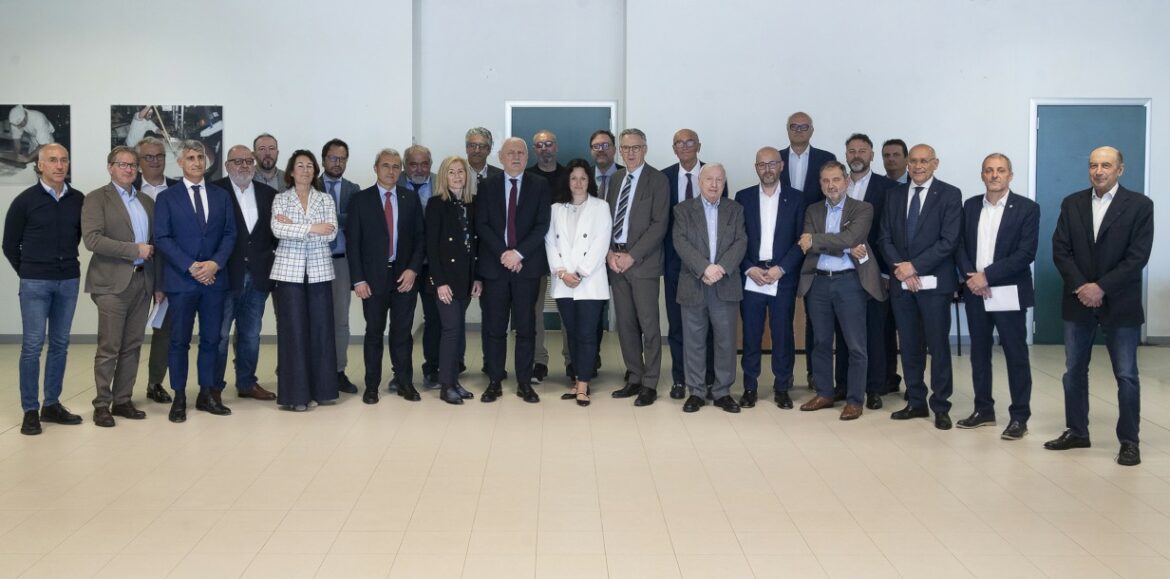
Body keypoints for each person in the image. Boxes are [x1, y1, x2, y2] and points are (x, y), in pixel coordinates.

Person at [1046, 146, 1153, 466]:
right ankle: (1077, 431)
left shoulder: (1140, 205)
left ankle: (1129, 442)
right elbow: (1060, 249)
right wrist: (1083, 287)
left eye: (1106, 165)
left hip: (1120, 301)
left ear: (1120, 169)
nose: (1098, 171)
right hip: (1078, 300)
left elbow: (1137, 256)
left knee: (1126, 375)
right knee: (1074, 371)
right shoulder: (1072, 203)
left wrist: (1101, 287)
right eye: (1093, 165)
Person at [877, 143, 962, 430]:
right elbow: (884, 238)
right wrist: (901, 268)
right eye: (913, 161)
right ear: (907, 164)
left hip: (935, 285)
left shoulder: (950, 194)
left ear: (935, 163)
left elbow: (949, 241)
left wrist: (914, 266)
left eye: (924, 161)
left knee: (938, 346)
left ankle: (941, 405)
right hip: (902, 284)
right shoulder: (894, 195)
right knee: (910, 345)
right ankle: (916, 401)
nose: (918, 166)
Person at [3, 143, 84, 435]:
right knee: (32, 346)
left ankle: (51, 405)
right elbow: (9, 245)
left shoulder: (78, 199)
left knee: (60, 344)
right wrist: (29, 271)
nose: (59, 165)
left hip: (68, 280)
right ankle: (30, 410)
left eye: (63, 160)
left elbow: (77, 237)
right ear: (40, 165)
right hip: (35, 282)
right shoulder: (25, 201)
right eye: (52, 160)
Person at [153, 140, 237, 423]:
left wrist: (214, 264)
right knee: (179, 341)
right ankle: (179, 397)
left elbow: (230, 233)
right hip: (182, 281)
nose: (197, 162)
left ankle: (206, 394)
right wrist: (190, 266)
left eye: (200, 157)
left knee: (212, 339)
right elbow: (162, 237)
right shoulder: (167, 198)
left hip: (214, 280)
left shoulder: (221, 196)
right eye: (190, 158)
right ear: (180, 163)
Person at [956, 153, 1038, 440]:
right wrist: (972, 277)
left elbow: (1025, 253)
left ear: (1010, 175)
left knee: (1016, 354)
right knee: (979, 353)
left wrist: (987, 276)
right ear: (982, 175)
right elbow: (959, 246)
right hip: (975, 291)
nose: (994, 175)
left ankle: (1019, 416)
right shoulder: (969, 206)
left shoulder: (1027, 208)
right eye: (989, 170)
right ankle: (983, 410)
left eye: (1000, 170)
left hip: (1008, 291)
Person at [797, 161, 887, 420]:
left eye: (836, 179)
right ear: (820, 184)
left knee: (856, 344)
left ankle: (855, 400)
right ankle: (825, 393)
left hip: (850, 283)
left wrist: (822, 241)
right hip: (819, 282)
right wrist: (845, 247)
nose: (831, 185)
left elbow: (851, 238)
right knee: (821, 342)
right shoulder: (813, 210)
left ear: (846, 181)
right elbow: (806, 245)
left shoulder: (863, 208)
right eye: (826, 181)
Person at [81, 146, 156, 427]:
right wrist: (133, 249)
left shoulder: (146, 201)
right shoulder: (96, 198)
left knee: (132, 345)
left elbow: (155, 244)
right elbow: (92, 240)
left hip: (142, 281)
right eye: (122, 164)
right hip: (111, 284)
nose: (128, 169)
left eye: (132, 165)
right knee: (109, 347)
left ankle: (123, 400)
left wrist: (158, 283)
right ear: (110, 167)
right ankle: (102, 404)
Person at [476, 137, 551, 403]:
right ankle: (495, 381)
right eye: (511, 153)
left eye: (521, 152)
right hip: (495, 268)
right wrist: (504, 253)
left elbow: (542, 224)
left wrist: (518, 253)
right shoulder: (487, 185)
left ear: (527, 156)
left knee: (526, 328)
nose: (516, 157)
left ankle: (524, 382)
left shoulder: (539, 185)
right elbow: (482, 224)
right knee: (495, 327)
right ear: (500, 157)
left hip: (526, 267)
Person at [348, 149, 425, 404]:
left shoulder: (410, 198)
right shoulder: (361, 200)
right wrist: (358, 280)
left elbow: (420, 239)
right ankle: (372, 386)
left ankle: (404, 382)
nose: (391, 171)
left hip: (404, 277)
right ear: (376, 168)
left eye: (395, 166)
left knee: (402, 333)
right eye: (385, 166)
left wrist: (413, 269)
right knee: (374, 333)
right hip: (372, 279)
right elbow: (353, 243)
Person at [672, 163, 746, 414]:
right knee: (694, 341)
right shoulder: (683, 210)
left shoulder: (735, 209)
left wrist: (720, 268)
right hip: (694, 283)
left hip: (725, 283)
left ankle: (722, 392)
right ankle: (696, 392)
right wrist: (705, 268)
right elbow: (680, 242)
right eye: (709, 179)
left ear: (724, 183)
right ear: (699, 182)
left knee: (726, 341)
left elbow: (741, 241)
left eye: (719, 180)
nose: (714, 184)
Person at [270, 150, 339, 411]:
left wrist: (295, 227)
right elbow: (278, 229)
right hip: (289, 273)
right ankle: (296, 395)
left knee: (321, 331)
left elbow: (330, 233)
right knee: (293, 332)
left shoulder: (325, 199)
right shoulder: (281, 198)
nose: (305, 170)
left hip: (320, 271)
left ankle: (323, 390)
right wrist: (312, 227)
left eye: (310, 166)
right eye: (300, 165)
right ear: (291, 171)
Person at [738, 146, 805, 410]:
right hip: (753, 276)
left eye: (772, 164)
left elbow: (801, 241)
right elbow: (736, 238)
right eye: (762, 165)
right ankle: (749, 387)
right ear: (756, 168)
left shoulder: (797, 198)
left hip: (782, 277)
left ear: (781, 166)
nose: (767, 169)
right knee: (751, 334)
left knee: (783, 334)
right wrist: (748, 267)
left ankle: (782, 387)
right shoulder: (743, 197)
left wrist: (782, 268)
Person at [607, 129, 669, 407]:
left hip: (642, 263)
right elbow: (607, 219)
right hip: (616, 262)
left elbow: (659, 225)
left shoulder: (658, 180)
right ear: (620, 151)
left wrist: (632, 256)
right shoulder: (616, 178)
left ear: (645, 149)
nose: (630, 152)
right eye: (625, 148)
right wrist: (610, 253)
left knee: (649, 325)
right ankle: (634, 375)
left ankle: (650, 382)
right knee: (626, 324)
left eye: (636, 147)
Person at [211, 145, 278, 402]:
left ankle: (247, 382)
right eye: (237, 161)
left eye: (249, 161)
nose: (244, 166)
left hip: (258, 276)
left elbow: (274, 236)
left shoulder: (268, 194)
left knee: (250, 334)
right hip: (225, 276)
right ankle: (214, 386)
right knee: (219, 335)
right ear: (227, 165)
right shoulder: (214, 191)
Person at [546, 159, 612, 407]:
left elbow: (601, 242)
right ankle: (576, 380)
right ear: (567, 181)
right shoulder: (555, 209)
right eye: (573, 178)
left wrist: (581, 272)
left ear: (589, 181)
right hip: (564, 281)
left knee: (586, 334)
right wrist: (561, 272)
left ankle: (583, 384)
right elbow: (550, 242)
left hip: (590, 281)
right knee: (572, 333)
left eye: (583, 178)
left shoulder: (600, 207)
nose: (578, 183)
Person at [662, 128, 719, 400]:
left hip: (709, 265)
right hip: (675, 263)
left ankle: (707, 379)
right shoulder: (664, 177)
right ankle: (680, 379)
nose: (685, 146)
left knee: (708, 324)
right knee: (677, 324)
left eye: (690, 142)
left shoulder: (713, 174)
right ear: (674, 148)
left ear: (699, 145)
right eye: (679, 143)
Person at [842, 134, 898, 409]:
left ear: (872, 155)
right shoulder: (836, 184)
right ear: (846, 155)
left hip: (875, 272)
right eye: (852, 151)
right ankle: (844, 385)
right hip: (841, 271)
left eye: (862, 151)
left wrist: (887, 273)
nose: (857, 156)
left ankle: (875, 388)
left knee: (874, 331)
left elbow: (891, 233)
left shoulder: (888, 188)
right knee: (844, 332)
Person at [425, 156, 481, 404]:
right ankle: (445, 385)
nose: (457, 176)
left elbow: (476, 245)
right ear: (443, 176)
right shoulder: (436, 204)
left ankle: (454, 381)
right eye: (451, 172)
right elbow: (431, 247)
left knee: (457, 330)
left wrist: (477, 278)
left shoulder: (472, 203)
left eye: (461, 172)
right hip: (445, 280)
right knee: (450, 330)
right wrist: (439, 282)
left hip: (465, 279)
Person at [135, 136, 179, 404]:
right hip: (136, 269)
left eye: (159, 156)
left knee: (165, 329)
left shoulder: (177, 189)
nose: (155, 161)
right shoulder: (128, 189)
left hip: (170, 268)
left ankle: (155, 382)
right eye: (148, 157)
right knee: (130, 331)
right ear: (138, 161)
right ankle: (122, 389)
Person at [317, 138, 362, 394]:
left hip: (341, 262)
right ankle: (316, 370)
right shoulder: (311, 185)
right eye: (333, 158)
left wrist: (328, 218)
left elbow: (355, 220)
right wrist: (340, 218)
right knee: (314, 318)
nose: (338, 163)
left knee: (340, 320)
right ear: (324, 159)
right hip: (314, 261)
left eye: (342, 158)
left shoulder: (353, 189)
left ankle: (338, 371)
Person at [398, 144, 442, 388]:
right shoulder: (394, 182)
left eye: (424, 164)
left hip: (433, 264)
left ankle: (432, 368)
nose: (419, 169)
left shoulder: (440, 183)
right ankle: (401, 373)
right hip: (403, 266)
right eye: (413, 164)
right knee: (402, 320)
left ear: (430, 165)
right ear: (405, 165)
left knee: (434, 319)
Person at [526, 129, 566, 384]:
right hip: (536, 254)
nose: (545, 148)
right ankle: (538, 361)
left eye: (549, 143)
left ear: (556, 147)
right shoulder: (527, 178)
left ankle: (572, 362)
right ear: (534, 149)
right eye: (539, 145)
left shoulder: (569, 176)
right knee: (534, 312)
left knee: (568, 312)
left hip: (565, 256)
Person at [780, 112, 837, 204]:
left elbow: (832, 191)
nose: (798, 130)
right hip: (782, 212)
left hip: (816, 212)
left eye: (804, 127)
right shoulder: (776, 158)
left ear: (812, 131)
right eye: (794, 126)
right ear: (787, 129)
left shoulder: (826, 159)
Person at [590, 129, 622, 200]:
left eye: (605, 145)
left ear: (614, 150)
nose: (600, 149)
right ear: (591, 151)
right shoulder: (584, 175)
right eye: (596, 146)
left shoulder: (627, 175)